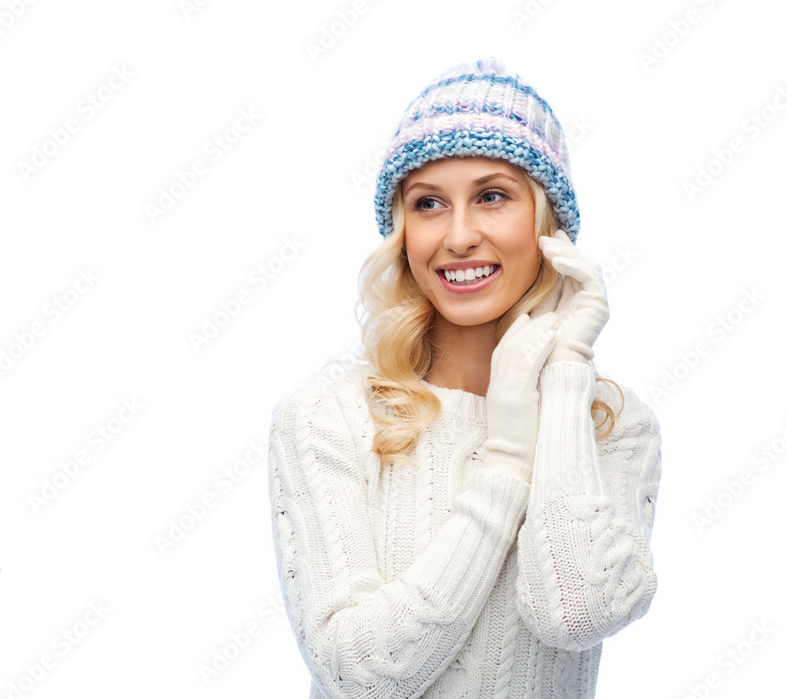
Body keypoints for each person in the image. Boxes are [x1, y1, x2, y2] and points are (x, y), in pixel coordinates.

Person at [267, 57, 662, 698]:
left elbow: (576, 612)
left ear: (548, 224)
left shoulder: (612, 425)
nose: (458, 236)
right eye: (428, 204)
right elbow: (357, 674)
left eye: (492, 196)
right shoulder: (330, 416)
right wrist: (505, 463)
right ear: (403, 234)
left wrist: (563, 376)